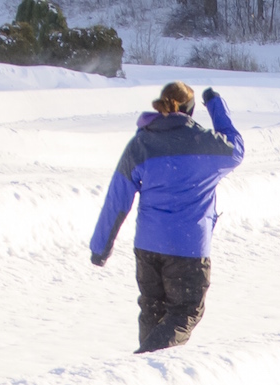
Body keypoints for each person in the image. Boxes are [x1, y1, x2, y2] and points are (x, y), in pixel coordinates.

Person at [88, 81, 245, 353]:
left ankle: (144, 379)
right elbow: (236, 148)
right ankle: (141, 362)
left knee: (153, 312)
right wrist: (215, 103)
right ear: (190, 110)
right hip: (187, 249)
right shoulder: (205, 144)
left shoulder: (141, 143)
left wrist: (100, 247)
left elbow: (117, 198)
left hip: (148, 248)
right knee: (185, 312)